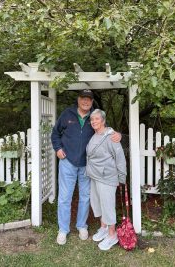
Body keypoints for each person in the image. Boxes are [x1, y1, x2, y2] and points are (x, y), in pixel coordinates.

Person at [51, 89, 121, 245]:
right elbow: (55, 133)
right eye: (83, 98)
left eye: (88, 99)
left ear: (91, 102)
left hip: (87, 166)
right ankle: (63, 230)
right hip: (67, 162)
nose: (85, 101)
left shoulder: (94, 117)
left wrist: (118, 134)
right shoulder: (67, 114)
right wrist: (58, 148)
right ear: (78, 99)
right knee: (64, 198)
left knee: (85, 197)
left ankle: (82, 226)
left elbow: (105, 131)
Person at [86, 109, 127, 251]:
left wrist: (122, 176)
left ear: (103, 121)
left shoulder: (111, 136)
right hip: (94, 175)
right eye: (92, 119)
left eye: (97, 119)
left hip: (107, 177)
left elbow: (120, 157)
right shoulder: (95, 135)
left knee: (108, 206)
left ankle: (112, 235)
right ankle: (103, 228)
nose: (94, 121)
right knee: (97, 203)